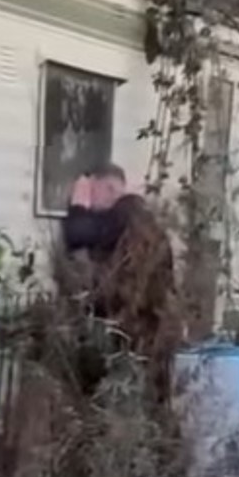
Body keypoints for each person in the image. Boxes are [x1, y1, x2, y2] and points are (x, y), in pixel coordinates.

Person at [60, 163, 181, 405]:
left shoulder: (122, 216)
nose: (90, 204)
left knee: (116, 391)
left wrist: (77, 206)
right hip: (153, 323)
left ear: (107, 187)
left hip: (125, 323)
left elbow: (76, 234)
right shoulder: (146, 223)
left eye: (90, 192)